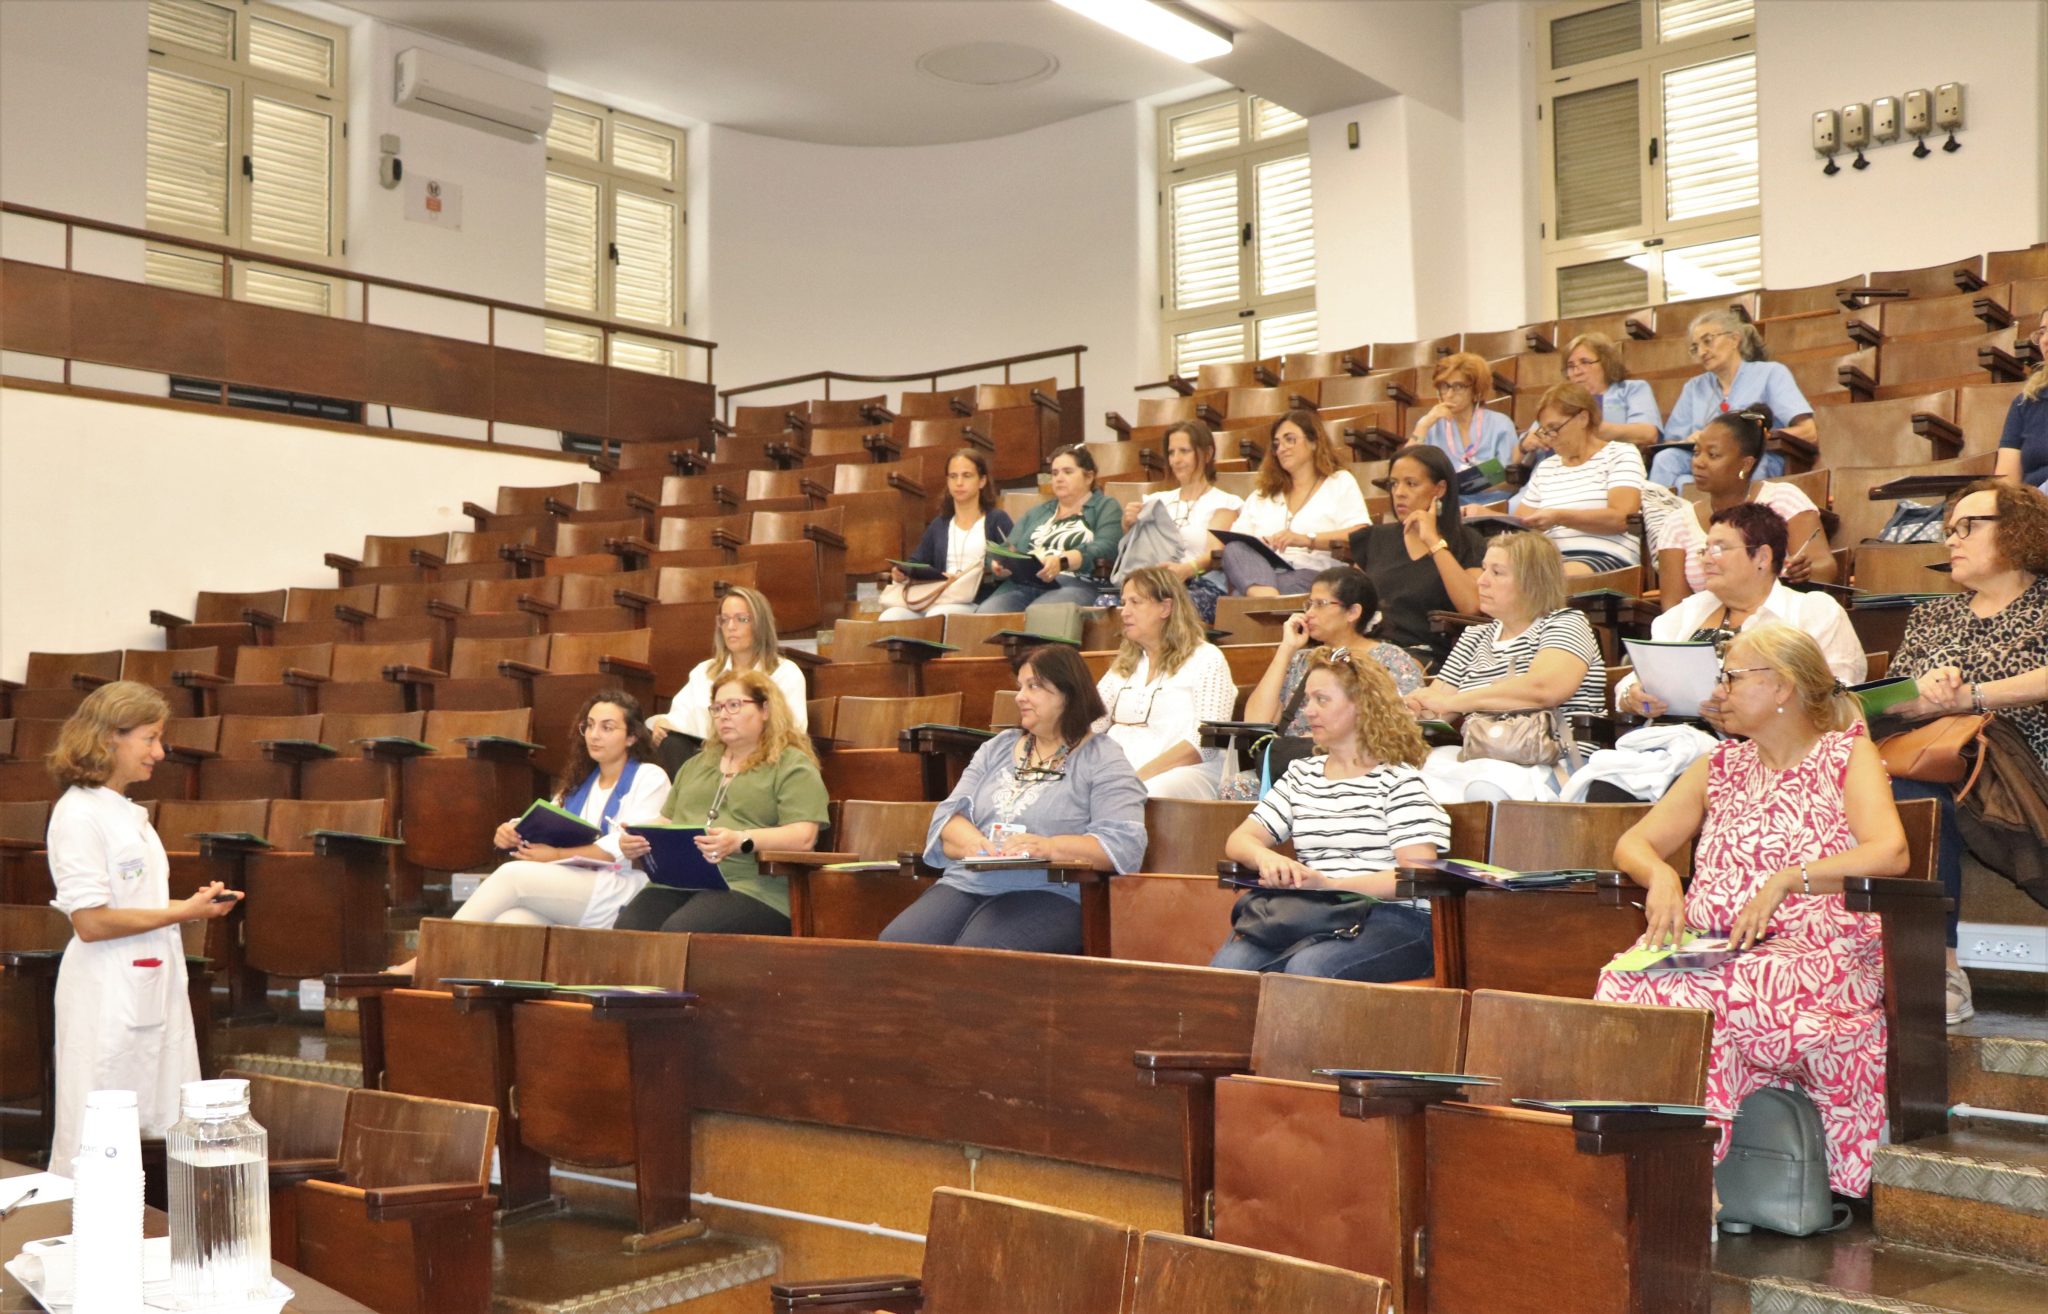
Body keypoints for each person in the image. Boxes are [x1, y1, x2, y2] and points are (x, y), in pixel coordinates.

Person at [1596, 625, 1908, 1201]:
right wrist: (1661, 875)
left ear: (1782, 686)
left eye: (1732, 677)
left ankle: (1687, 1182)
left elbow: (1890, 852)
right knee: (1623, 980)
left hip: (1819, 953)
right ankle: (1660, 1171)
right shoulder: (1719, 764)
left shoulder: (1847, 754)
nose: (1719, 691)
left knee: (1715, 993)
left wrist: (1791, 879)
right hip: (1720, 948)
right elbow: (1633, 843)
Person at [46, 682, 241, 1171]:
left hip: (146, 985)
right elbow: (90, 922)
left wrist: (196, 907)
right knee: (99, 1137)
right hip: (107, 993)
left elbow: (136, 904)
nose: (159, 752)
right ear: (110, 737)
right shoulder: (79, 814)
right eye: (149, 738)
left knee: (160, 1121)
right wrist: (182, 912)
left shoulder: (123, 812)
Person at [1883, 479, 2048, 1024]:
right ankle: (1939, 966)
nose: (1951, 540)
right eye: (1949, 529)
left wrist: (1971, 696)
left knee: (1911, 790)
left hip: (2027, 775)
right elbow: (1890, 704)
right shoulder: (1932, 616)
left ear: (2019, 532)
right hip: (1937, 767)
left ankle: (1935, 966)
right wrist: (1923, 692)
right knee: (1907, 789)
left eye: (1968, 527)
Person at [880, 645, 1147, 953]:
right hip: (967, 883)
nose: (1020, 696)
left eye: (1034, 686)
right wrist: (973, 844)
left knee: (976, 956)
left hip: (1050, 891)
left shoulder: (1102, 757)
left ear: (1069, 694)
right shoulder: (997, 747)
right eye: (1020, 686)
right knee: (896, 947)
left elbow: (1123, 843)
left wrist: (1048, 847)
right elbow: (949, 819)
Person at [1209, 649, 1449, 982]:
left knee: (1308, 969)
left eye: (1322, 700)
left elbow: (1418, 874)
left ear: (1362, 706)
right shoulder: (1302, 774)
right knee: (1229, 967)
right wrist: (1267, 859)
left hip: (1393, 917)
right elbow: (1240, 840)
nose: (1308, 711)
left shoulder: (1397, 780)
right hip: (1315, 912)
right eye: (1308, 699)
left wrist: (1330, 884)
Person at [396, 694, 669, 969]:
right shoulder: (579, 782)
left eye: (607, 727)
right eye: (589, 725)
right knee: (513, 921)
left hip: (619, 890)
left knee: (512, 875)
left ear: (632, 736)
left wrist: (556, 855)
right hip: (572, 886)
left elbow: (624, 845)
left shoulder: (649, 777)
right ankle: (451, 983)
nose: (594, 735)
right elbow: (548, 820)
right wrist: (513, 830)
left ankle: (423, 961)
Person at [612, 669, 830, 935]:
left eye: (734, 705)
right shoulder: (696, 765)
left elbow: (804, 837)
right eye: (717, 708)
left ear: (765, 709)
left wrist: (740, 840)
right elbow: (668, 820)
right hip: (681, 880)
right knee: (629, 929)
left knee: (680, 931)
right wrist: (639, 838)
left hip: (753, 884)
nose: (723, 715)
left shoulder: (792, 765)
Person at [1406, 532, 1606, 803]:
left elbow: (1544, 689)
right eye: (1484, 569)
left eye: (1497, 572)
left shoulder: (1566, 622)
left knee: (1485, 789)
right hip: (1482, 757)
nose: (1481, 580)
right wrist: (1415, 708)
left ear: (1532, 581)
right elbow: (1436, 708)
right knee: (1406, 781)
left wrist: (1454, 702)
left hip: (1551, 762)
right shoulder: (1475, 636)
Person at [1617, 503, 1865, 721]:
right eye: (1704, 550)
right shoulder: (1685, 613)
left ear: (1762, 557)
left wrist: (1747, 713)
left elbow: (1838, 696)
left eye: (1719, 549)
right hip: (1670, 739)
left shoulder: (1813, 612)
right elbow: (1635, 680)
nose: (1706, 560)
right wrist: (1633, 696)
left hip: (1767, 747)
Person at [1096, 567, 1236, 798]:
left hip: (1185, 771)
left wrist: (1136, 778)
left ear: (1166, 607)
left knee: (1144, 793)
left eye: (1135, 602)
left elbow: (1206, 743)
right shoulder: (1125, 663)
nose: (1124, 612)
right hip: (1121, 771)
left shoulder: (1206, 658)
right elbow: (1091, 721)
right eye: (1124, 603)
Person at [1243, 567, 1426, 738]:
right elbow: (1255, 722)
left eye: (1320, 604)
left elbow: (1405, 729)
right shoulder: (1300, 659)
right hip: (1294, 758)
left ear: (1352, 612)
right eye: (1309, 604)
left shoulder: (1391, 660)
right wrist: (1286, 649)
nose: (1309, 613)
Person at [1648, 309, 1817, 490]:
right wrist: (1693, 440)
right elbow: (1670, 441)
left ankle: (1741, 510)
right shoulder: (1694, 387)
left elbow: (1808, 432)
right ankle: (1662, 509)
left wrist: (1753, 439)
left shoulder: (1770, 373)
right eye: (1695, 347)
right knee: (1666, 459)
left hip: (1755, 457)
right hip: (1707, 460)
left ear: (1734, 339)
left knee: (1747, 462)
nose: (1702, 352)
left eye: (1708, 341)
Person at [1674, 405, 1835, 593]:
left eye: (1713, 455)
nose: (1698, 462)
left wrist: (1806, 570)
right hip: (1707, 613)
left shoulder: (1783, 500)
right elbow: (1673, 604)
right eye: (1696, 452)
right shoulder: (1678, 521)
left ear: (1746, 464)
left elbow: (1826, 568)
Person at [647, 585, 806, 773]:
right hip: (705, 758)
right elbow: (680, 719)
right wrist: (664, 724)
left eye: (741, 619)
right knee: (671, 742)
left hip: (759, 760)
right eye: (724, 619)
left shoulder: (785, 673)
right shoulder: (704, 672)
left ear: (760, 625)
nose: (731, 627)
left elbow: (791, 733)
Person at [1346, 444, 1484, 653]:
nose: (1399, 493)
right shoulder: (1375, 538)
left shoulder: (1466, 542)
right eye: (1394, 484)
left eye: (1411, 484)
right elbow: (1349, 602)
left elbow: (1472, 607)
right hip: (1368, 649)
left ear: (1440, 489)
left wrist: (1433, 541)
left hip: (1425, 653)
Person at [1221, 409, 1370, 596]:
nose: (1281, 449)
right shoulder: (1262, 494)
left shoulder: (1339, 481)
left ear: (1314, 442)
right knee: (1234, 548)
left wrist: (1306, 539)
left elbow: (1360, 535)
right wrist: (1261, 544)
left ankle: (1262, 600)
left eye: (1289, 439)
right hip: (1264, 571)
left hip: (1313, 575)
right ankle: (1268, 600)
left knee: (1241, 597)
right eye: (1276, 444)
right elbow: (1238, 542)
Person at [1512, 382, 1647, 575]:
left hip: (1607, 557)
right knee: (1485, 576)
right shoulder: (1547, 467)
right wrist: (1486, 515)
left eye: (1554, 428)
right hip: (1550, 562)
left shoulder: (1620, 454)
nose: (1549, 437)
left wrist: (1559, 517)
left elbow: (1622, 518)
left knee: (1543, 579)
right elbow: (1521, 524)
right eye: (1544, 431)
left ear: (1583, 418)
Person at [1121, 418, 1243, 621]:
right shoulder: (1156, 501)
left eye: (1184, 451)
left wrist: (1186, 570)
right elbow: (1137, 548)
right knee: (1106, 604)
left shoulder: (1225, 503)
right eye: (1171, 452)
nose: (1175, 460)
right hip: (1152, 586)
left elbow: (1214, 554)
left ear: (1207, 453)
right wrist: (1128, 524)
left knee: (1161, 608)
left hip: (1200, 585)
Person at [979, 444, 1123, 612]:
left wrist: (1063, 561)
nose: (1059, 478)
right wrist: (999, 564)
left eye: (1067, 472)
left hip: (1077, 583)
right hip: (1026, 584)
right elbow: (1008, 548)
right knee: (986, 613)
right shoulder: (1037, 512)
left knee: (1042, 613)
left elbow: (1108, 547)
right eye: (1054, 473)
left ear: (1089, 477)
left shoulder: (1106, 506)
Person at [878, 447, 1014, 620]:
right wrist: (901, 573)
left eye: (967, 476)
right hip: (938, 597)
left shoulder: (997, 520)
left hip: (977, 601)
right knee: (890, 616)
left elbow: (1013, 561)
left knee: (938, 615)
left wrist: (998, 567)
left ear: (982, 481)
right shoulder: (939, 525)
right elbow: (916, 563)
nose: (959, 483)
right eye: (953, 476)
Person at [1513, 331, 1662, 457]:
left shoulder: (1631, 389)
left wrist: (1594, 430)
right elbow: (1514, 458)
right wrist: (1524, 446)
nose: (1577, 372)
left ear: (1606, 363)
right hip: (1551, 472)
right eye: (1571, 366)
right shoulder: (1559, 400)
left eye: (1585, 362)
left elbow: (1649, 434)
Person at [1411, 351, 1518, 482]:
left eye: (1458, 386)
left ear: (1476, 391)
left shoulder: (1500, 424)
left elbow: (1510, 478)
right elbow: (1407, 470)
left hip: (1491, 494)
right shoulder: (1431, 425)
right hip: (1446, 494)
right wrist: (1422, 426)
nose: (1449, 394)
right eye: (1444, 386)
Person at [1996, 309, 2048, 491]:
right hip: (2032, 503)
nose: (2045, 340)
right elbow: (2007, 483)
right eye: (2043, 332)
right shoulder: (2026, 402)